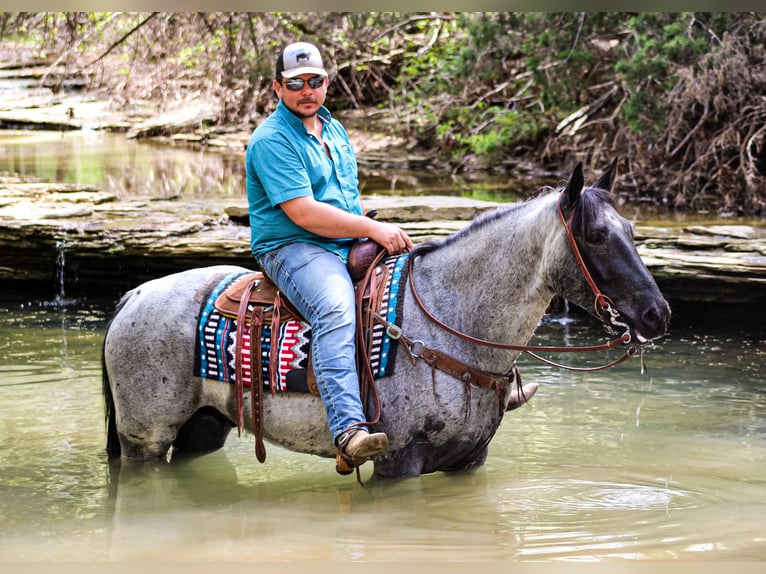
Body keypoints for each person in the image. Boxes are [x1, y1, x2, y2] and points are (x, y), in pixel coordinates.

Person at [245, 41, 414, 471]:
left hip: (343, 239)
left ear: (326, 82)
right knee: (337, 307)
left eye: (315, 81)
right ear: (277, 87)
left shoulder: (332, 129)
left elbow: (348, 200)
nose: (307, 91)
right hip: (293, 245)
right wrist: (373, 229)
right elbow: (304, 213)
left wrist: (369, 231)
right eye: (296, 83)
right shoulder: (270, 140)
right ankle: (348, 431)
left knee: (416, 280)